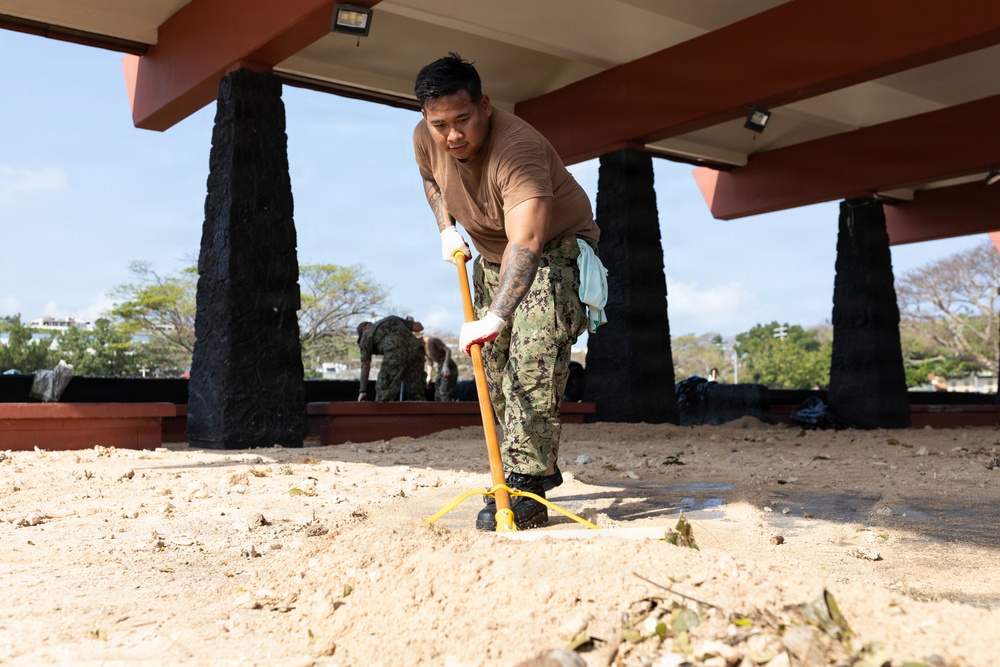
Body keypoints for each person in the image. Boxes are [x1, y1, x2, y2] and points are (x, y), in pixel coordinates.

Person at [413, 53, 603, 530]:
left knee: (532, 361)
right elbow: (432, 179)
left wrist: (496, 317)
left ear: (485, 106)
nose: (452, 135)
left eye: (463, 120)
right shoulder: (426, 138)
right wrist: (446, 229)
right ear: (425, 118)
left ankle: (527, 489)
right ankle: (520, 466)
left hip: (552, 252)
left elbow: (529, 243)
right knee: (493, 370)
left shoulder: (517, 151)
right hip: (492, 257)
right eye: (441, 124)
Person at [356, 316, 426, 402]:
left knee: (384, 391)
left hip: (396, 353)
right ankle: (420, 412)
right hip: (417, 351)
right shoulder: (392, 319)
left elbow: (365, 366)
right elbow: (419, 327)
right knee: (416, 392)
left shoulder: (366, 335)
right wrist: (406, 324)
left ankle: (383, 413)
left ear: (364, 328)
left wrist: (362, 391)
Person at [423, 335, 458, 401]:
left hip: (447, 363)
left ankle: (447, 409)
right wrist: (429, 376)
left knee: (444, 391)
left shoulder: (433, 341)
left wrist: (446, 365)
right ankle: (439, 409)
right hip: (439, 365)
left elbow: (448, 351)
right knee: (437, 392)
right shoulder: (423, 347)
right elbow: (430, 362)